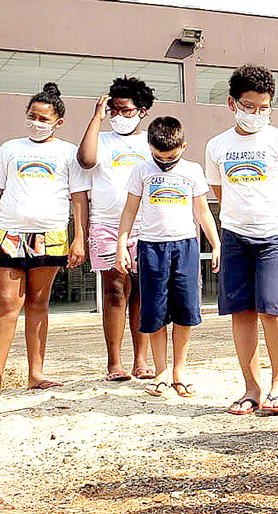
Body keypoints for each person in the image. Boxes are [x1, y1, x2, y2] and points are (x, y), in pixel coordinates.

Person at [205, 64, 278, 415]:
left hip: (275, 234)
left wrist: (266, 211)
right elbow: (219, 190)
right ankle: (251, 387)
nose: (257, 114)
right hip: (235, 235)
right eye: (249, 107)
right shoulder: (217, 145)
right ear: (232, 103)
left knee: (270, 305)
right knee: (241, 311)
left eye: (264, 107)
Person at [115, 117, 220, 398]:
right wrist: (122, 245)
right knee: (156, 312)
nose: (165, 162)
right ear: (149, 148)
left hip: (185, 246)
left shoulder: (192, 170)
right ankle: (161, 371)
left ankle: (179, 371)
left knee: (185, 310)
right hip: (151, 247)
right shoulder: (141, 170)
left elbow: (203, 212)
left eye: (171, 156)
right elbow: (129, 211)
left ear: (183, 146)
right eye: (158, 156)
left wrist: (216, 243)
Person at [0, 83, 89, 389]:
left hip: (51, 233)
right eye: (32, 116)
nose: (36, 123)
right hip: (9, 231)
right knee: (7, 302)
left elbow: (79, 197)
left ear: (58, 122)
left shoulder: (67, 153)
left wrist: (79, 238)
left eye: (43, 118)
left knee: (38, 301)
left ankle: (35, 373)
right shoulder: (9, 149)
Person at [76, 76, 156, 382]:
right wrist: (96, 117)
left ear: (142, 110)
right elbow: (86, 160)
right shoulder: (101, 138)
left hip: (146, 225)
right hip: (106, 225)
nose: (118, 116)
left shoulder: (149, 141)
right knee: (115, 291)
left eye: (125, 110)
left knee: (142, 293)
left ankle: (141, 360)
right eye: (113, 111)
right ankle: (115, 362)